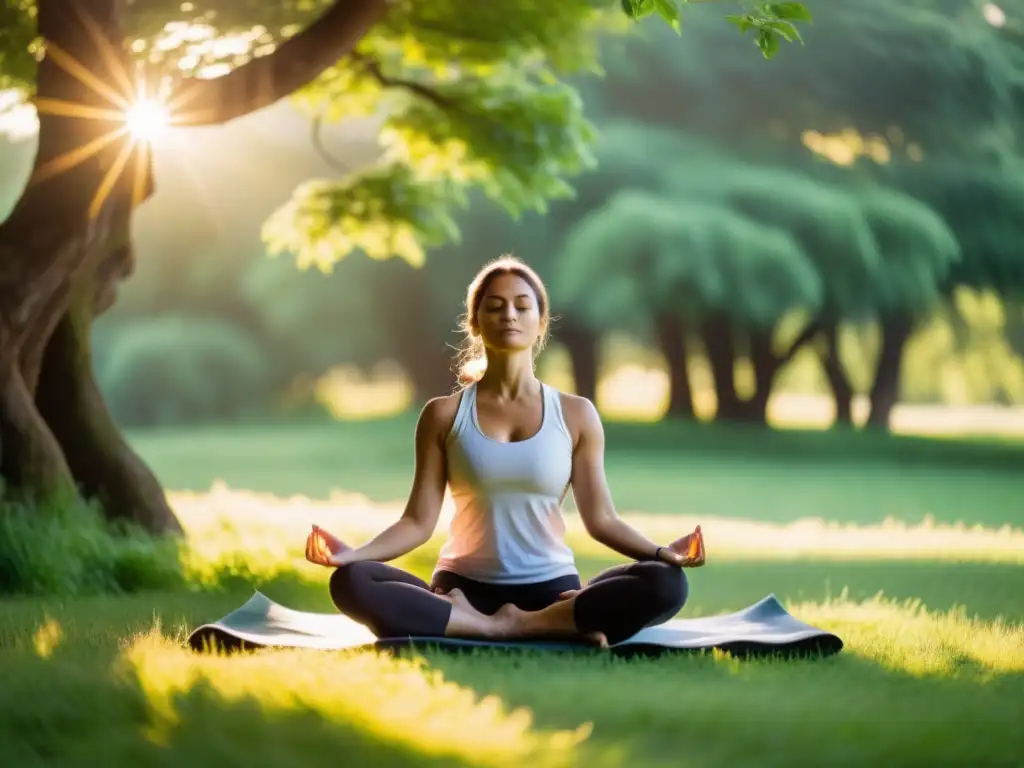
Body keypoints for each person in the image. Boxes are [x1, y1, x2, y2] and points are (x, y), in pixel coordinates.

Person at [304, 255, 706, 647]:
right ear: (476, 324)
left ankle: (523, 622)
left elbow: (601, 519)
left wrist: (661, 552)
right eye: (494, 307)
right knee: (352, 581)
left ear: (540, 323)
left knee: (666, 582)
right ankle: (524, 626)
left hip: (551, 590)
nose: (509, 315)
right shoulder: (443, 415)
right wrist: (353, 555)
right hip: (460, 591)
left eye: (521, 306)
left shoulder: (576, 414)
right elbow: (417, 522)